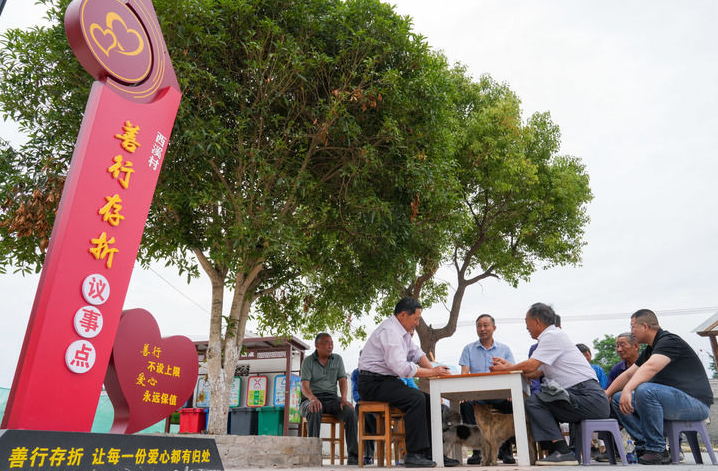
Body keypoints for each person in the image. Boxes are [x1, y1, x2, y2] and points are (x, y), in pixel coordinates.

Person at [491, 303, 609, 465]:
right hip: (582, 396)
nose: (526, 327)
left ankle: (562, 451)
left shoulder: (552, 336)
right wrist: (509, 366)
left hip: (588, 397)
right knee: (538, 401)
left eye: (527, 322)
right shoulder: (551, 338)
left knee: (535, 402)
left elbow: (531, 366)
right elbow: (535, 372)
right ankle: (559, 450)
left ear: (537, 321)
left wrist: (507, 369)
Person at [357, 297, 457, 468]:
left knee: (429, 401)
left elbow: (416, 353)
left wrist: (436, 372)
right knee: (416, 399)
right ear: (403, 315)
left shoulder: (402, 333)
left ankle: (433, 453)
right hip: (372, 383)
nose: (417, 323)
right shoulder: (390, 331)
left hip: (387, 381)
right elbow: (401, 368)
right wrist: (432, 372)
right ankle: (414, 454)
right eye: (416, 319)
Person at [605, 309, 713, 465]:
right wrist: (607, 393)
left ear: (644, 326)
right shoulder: (651, 348)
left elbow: (651, 367)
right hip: (675, 402)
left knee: (646, 390)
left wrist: (628, 389)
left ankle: (656, 449)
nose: (632, 331)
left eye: (633, 326)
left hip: (696, 404)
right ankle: (644, 446)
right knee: (617, 398)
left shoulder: (669, 341)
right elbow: (629, 374)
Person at [458, 314, 516, 464]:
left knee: (512, 404)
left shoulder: (505, 349)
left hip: (500, 394)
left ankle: (506, 449)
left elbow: (511, 372)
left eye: (485, 325)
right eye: (479, 326)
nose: (482, 329)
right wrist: (464, 394)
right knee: (465, 404)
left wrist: (510, 392)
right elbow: (464, 374)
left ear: (494, 328)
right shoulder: (468, 349)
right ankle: (477, 451)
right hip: (478, 395)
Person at [300, 333, 359, 465]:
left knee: (350, 411)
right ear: (317, 345)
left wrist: (343, 398)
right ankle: (313, 456)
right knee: (314, 408)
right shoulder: (308, 361)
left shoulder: (337, 359)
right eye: (327, 342)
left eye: (332, 343)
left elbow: (343, 380)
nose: (330, 346)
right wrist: (313, 398)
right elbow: (304, 385)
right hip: (310, 398)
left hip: (332, 399)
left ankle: (353, 456)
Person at [528, 314, 561, 394]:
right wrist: (536, 394)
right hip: (546, 392)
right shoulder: (534, 349)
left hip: (567, 389)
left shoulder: (564, 346)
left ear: (559, 329)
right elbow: (535, 376)